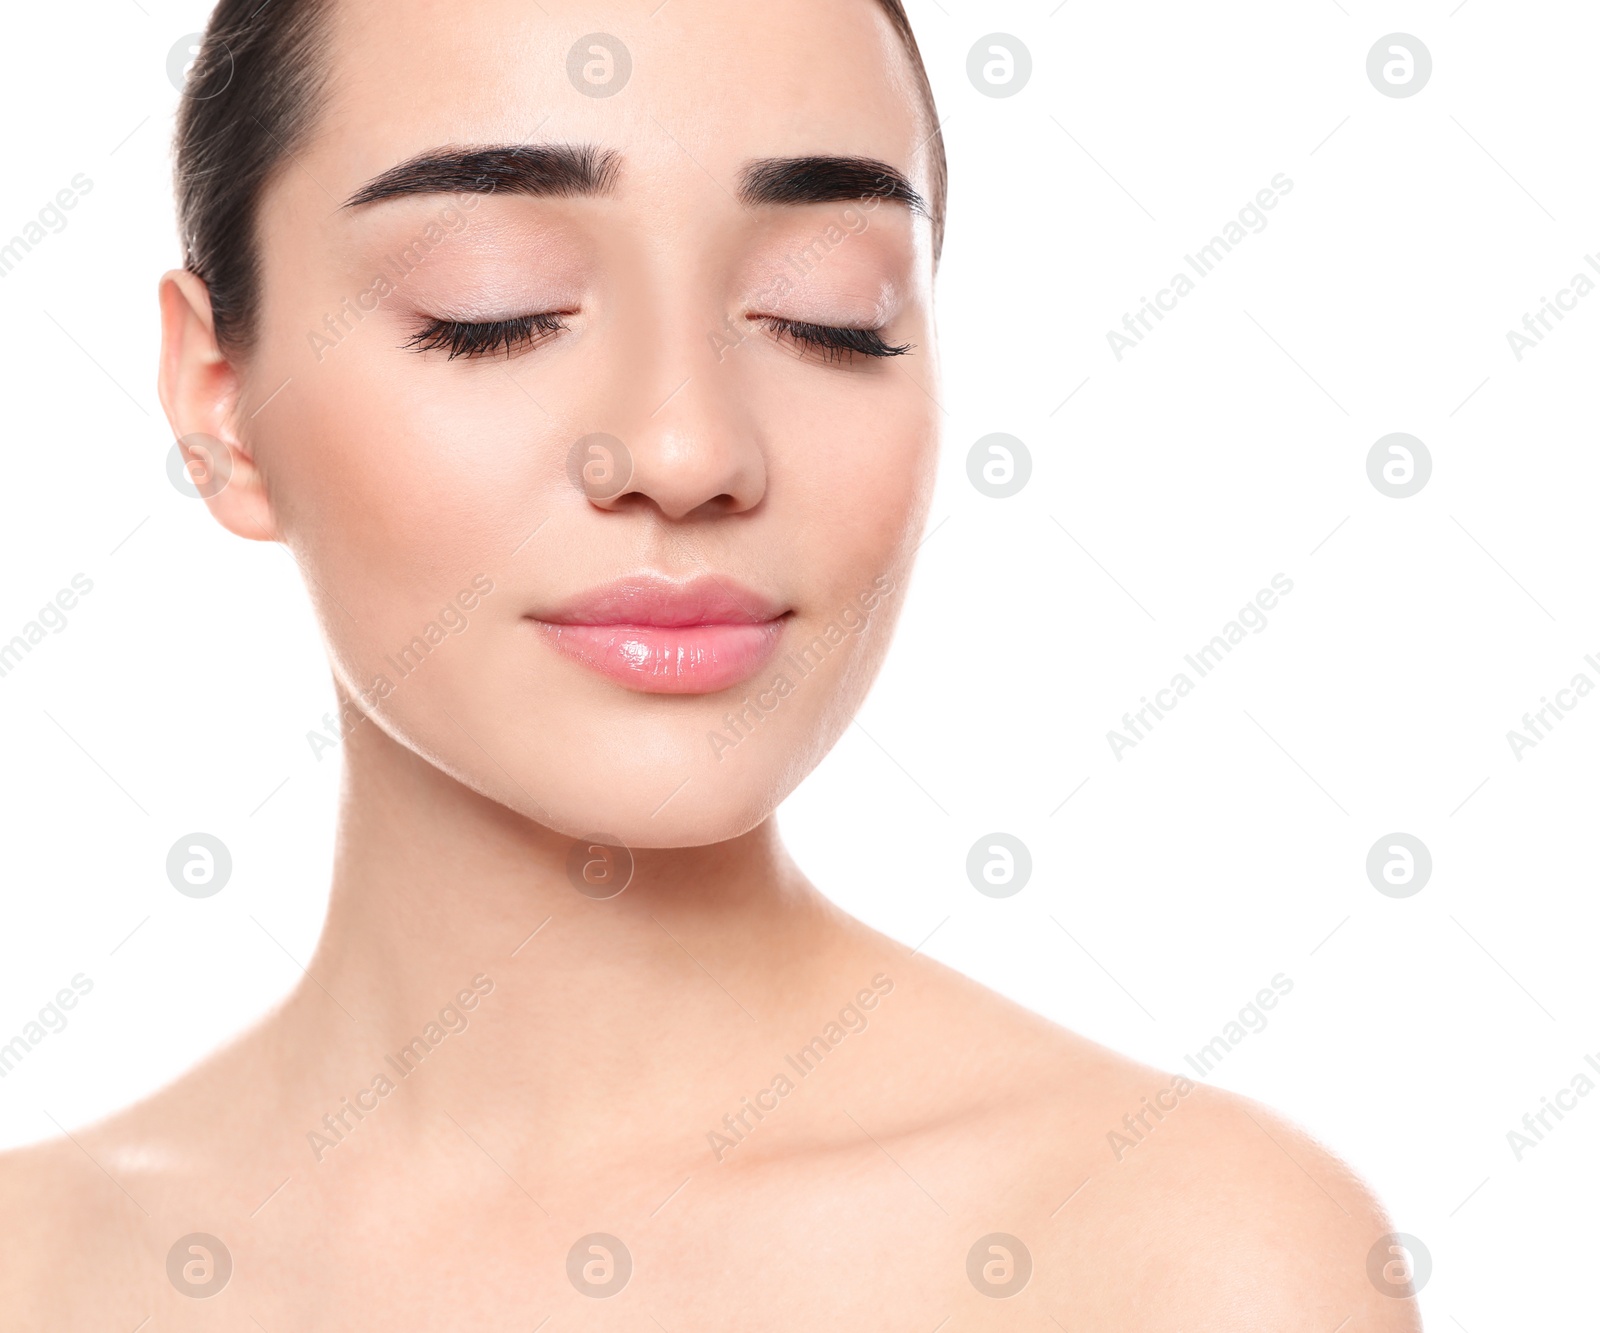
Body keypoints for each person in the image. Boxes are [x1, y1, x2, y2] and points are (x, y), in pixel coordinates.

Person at [0, 0, 1421, 1326]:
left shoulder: (1179, 1259)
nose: (686, 450)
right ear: (220, 406)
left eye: (829, 312)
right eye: (492, 304)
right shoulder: (37, 1263)